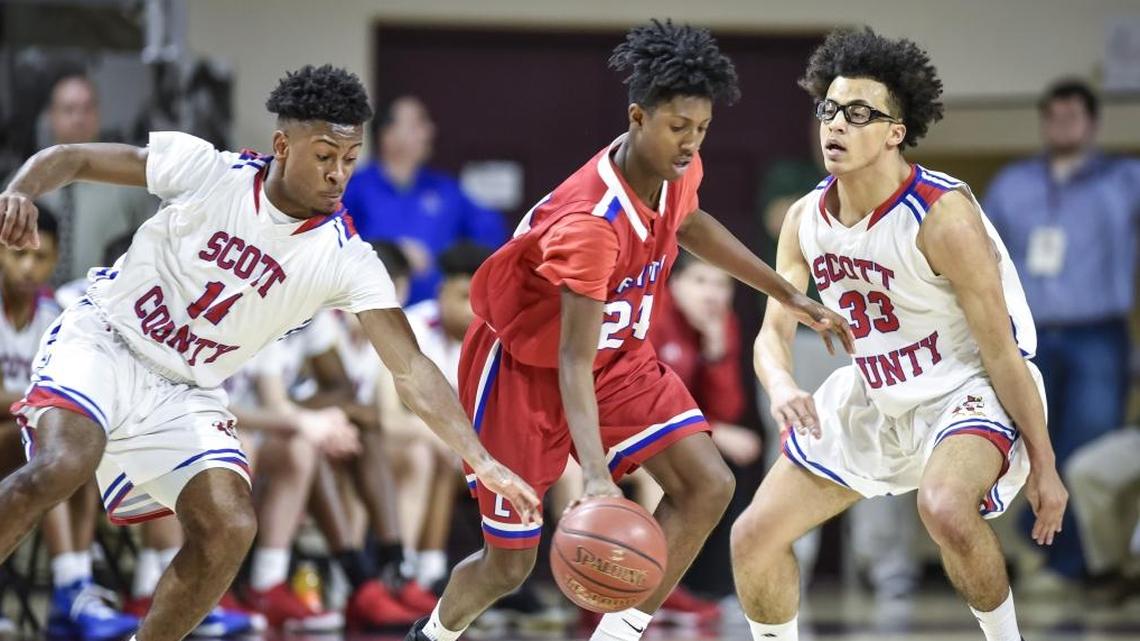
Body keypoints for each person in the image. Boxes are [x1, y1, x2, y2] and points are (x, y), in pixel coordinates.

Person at [0, 63, 539, 641]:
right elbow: (73, 157)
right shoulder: (208, 170)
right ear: (283, 144)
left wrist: (480, 459)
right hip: (107, 339)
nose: (338, 174)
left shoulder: (347, 257)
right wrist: (21, 190)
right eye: (325, 155)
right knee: (63, 465)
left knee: (230, 525)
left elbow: (410, 368)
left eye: (350, 160)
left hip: (185, 389)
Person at [404, 20, 852, 641]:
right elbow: (569, 360)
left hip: (617, 360)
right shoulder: (592, 225)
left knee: (708, 485)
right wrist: (594, 475)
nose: (691, 144)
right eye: (678, 128)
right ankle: (432, 635)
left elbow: (691, 223)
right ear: (638, 117)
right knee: (509, 564)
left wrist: (787, 293)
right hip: (524, 374)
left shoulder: (674, 170)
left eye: (701, 129)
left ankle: (616, 635)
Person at [729, 28, 1069, 641]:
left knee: (942, 506)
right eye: (828, 109)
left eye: (858, 113)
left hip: (965, 389)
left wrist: (1045, 464)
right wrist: (780, 384)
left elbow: (1001, 349)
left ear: (894, 131)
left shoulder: (943, 216)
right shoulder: (805, 218)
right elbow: (771, 332)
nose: (836, 124)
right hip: (877, 395)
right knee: (753, 537)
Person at [982, 79, 1140, 585]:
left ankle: (1062, 560)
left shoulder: (1125, 180)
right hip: (1028, 335)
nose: (1062, 125)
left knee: (1086, 443)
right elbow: (983, 255)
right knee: (1029, 441)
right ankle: (1048, 552)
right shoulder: (1013, 183)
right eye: (1054, 116)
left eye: (1073, 116)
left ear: (1092, 123)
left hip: (1098, 332)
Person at [343, 96, 506, 305]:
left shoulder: (446, 189)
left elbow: (491, 232)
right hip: (372, 316)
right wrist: (393, 253)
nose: (429, 131)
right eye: (417, 124)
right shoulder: (355, 188)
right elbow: (333, 248)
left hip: (436, 320)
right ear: (388, 135)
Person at [32, 72, 158, 284]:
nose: (79, 119)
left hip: (104, 305)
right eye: (69, 109)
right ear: (52, 116)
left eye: (87, 109)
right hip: (37, 309)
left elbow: (155, 244)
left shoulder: (128, 181)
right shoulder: (28, 183)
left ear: (98, 115)